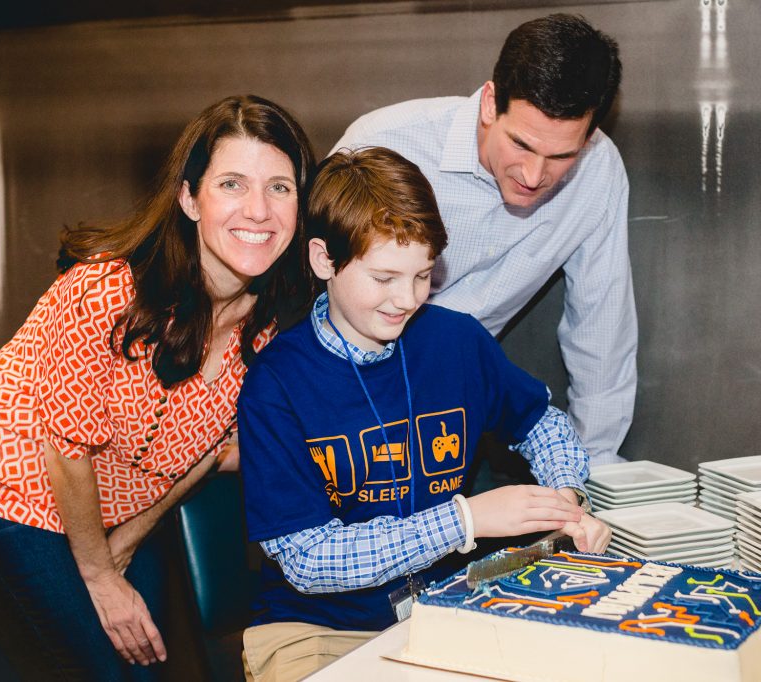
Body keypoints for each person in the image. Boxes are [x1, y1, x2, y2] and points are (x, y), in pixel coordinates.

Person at [0, 94, 315, 680]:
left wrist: (129, 535)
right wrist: (99, 574)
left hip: (112, 511)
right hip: (10, 486)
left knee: (149, 669)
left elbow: (213, 451)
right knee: (106, 671)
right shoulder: (106, 291)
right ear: (189, 197)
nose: (258, 210)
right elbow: (67, 451)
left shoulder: (271, 328)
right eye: (232, 184)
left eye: (279, 187)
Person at [238, 147, 611, 681]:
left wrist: (565, 501)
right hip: (318, 630)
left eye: (422, 275)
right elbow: (309, 560)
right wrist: (466, 520)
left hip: (449, 608)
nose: (406, 300)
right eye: (384, 277)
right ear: (324, 260)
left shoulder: (455, 340)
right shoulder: (276, 383)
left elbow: (542, 424)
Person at [333, 13, 636, 468]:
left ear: (590, 136)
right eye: (521, 145)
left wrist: (595, 468)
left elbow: (601, 325)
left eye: (561, 156)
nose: (534, 176)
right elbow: (314, 298)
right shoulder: (384, 145)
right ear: (491, 103)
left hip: (462, 418)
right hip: (345, 408)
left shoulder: (599, 173)